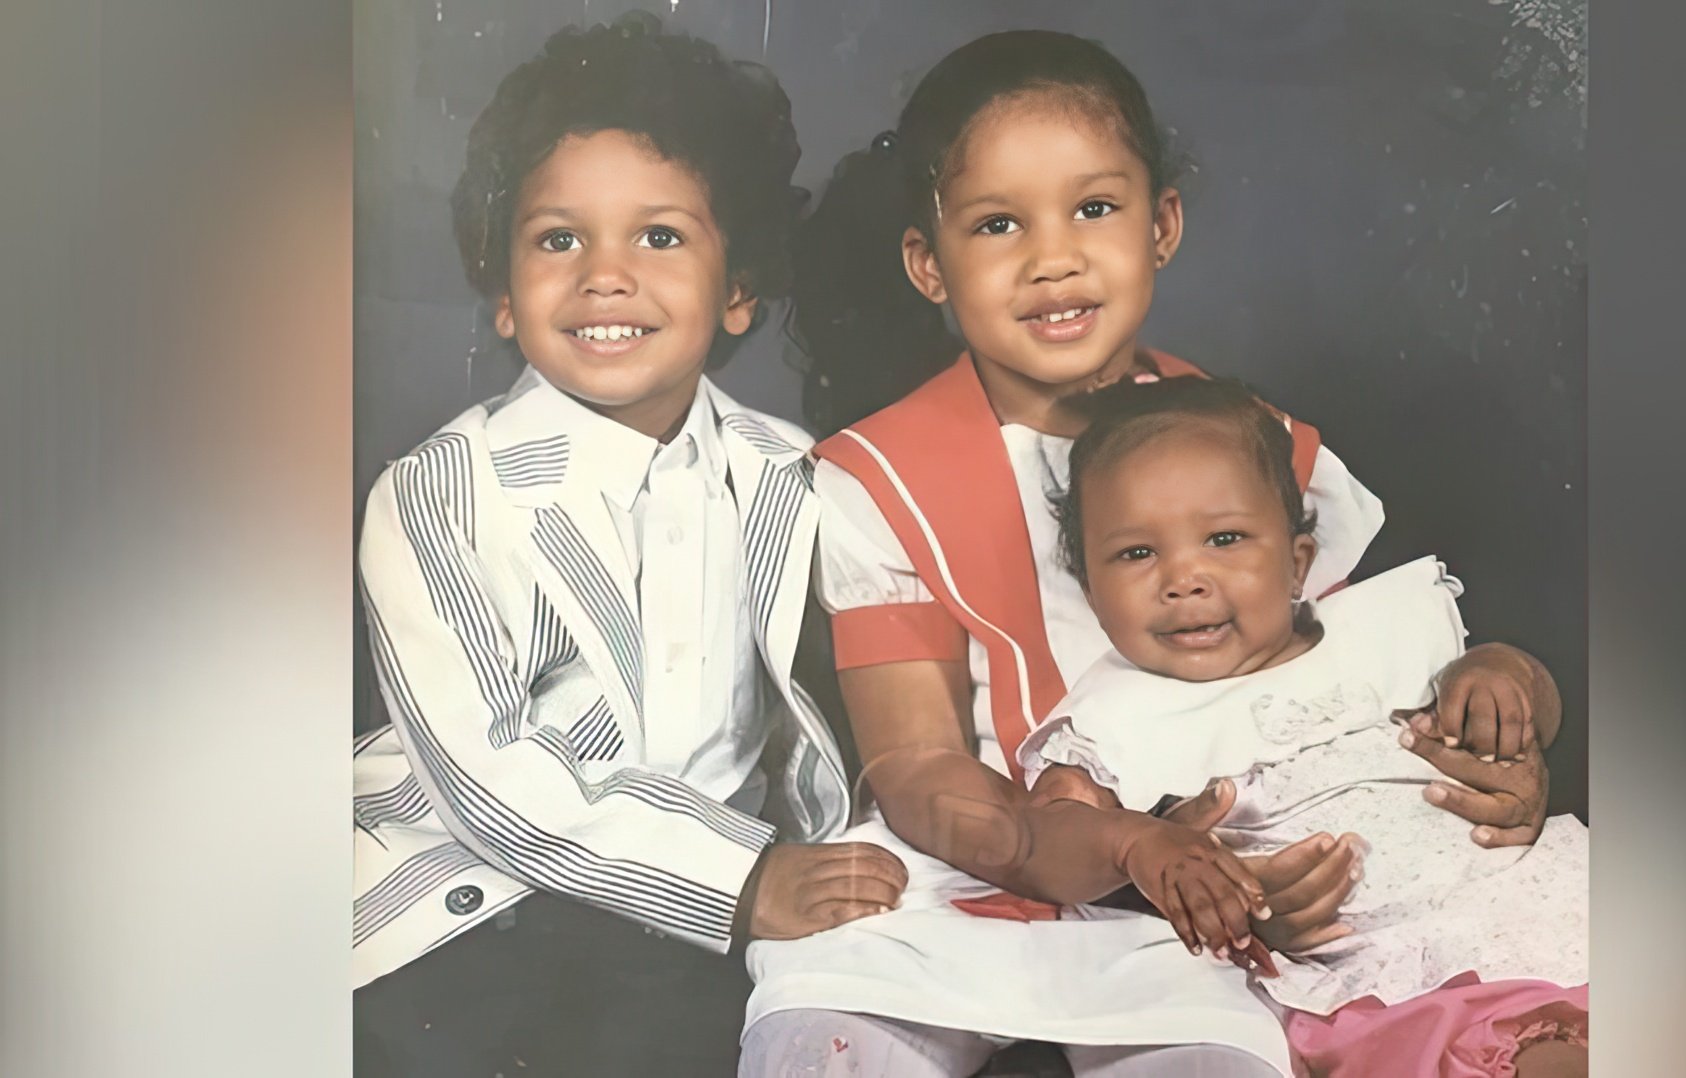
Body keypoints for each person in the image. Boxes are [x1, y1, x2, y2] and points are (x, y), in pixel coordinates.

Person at [745, 27, 1565, 1074]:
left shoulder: (1256, 448)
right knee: (825, 1037)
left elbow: (1345, 686)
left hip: (1228, 870)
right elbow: (919, 763)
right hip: (967, 862)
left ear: (1162, 223)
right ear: (928, 263)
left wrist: (1491, 771)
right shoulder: (879, 474)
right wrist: (1107, 851)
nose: (1054, 258)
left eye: (1095, 208)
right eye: (999, 224)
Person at [351, 15, 904, 1075]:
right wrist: (746, 879)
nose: (607, 275)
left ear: (738, 287)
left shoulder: (791, 471)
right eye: (560, 239)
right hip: (485, 906)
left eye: (661, 236)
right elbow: (490, 778)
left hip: (708, 923)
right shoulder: (437, 493)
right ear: (504, 296)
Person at [1010, 376, 1589, 1076]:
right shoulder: (1116, 717)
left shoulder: (1378, 632)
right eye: (1137, 553)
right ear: (1089, 592)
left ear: (1296, 563)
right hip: (1390, 972)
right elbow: (1043, 842)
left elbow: (1539, 705)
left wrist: (1507, 679)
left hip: (1542, 898)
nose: (1184, 578)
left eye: (1224, 539)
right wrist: (1136, 843)